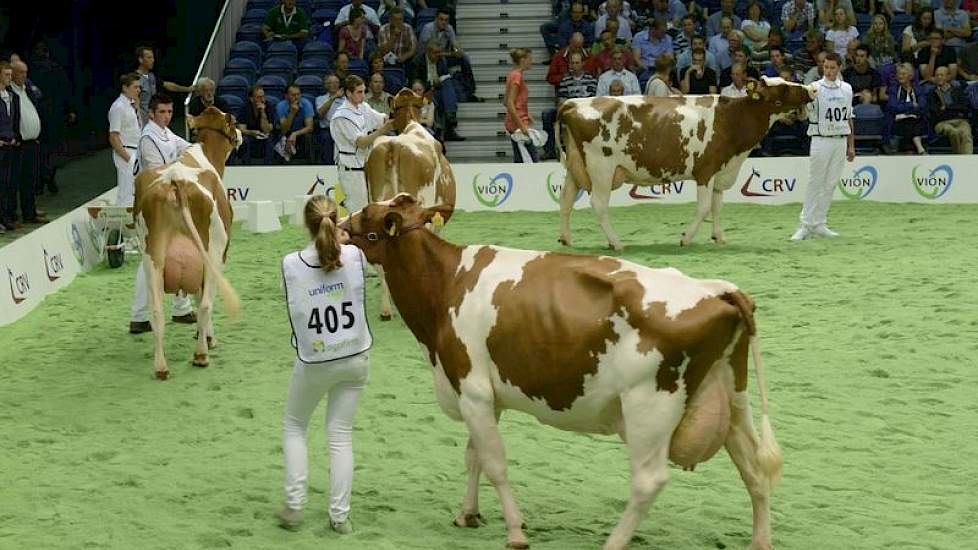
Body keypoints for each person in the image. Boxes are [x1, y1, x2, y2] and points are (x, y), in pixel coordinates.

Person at [278, 195, 372, 535]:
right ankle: (339, 516)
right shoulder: (355, 256)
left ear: (307, 225)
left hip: (316, 359)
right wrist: (345, 243)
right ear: (338, 221)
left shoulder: (291, 264)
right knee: (340, 435)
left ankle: (294, 504)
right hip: (355, 356)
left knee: (294, 425)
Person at [129, 93, 195, 334]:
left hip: (169, 201)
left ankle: (181, 307)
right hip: (152, 205)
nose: (167, 116)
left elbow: (186, 148)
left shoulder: (166, 133)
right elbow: (158, 172)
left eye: (169, 112)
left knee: (178, 253)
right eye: (162, 112)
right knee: (150, 258)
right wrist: (181, 164)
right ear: (152, 113)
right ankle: (139, 315)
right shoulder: (148, 138)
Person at [791, 52, 854, 242]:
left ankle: (819, 222)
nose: (828, 70)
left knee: (830, 184)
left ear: (839, 68)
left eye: (832, 67)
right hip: (821, 139)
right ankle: (805, 224)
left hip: (840, 140)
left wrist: (851, 145)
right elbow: (802, 114)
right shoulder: (814, 88)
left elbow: (849, 116)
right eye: (825, 67)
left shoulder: (847, 89)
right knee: (815, 183)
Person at [329, 76, 395, 214]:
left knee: (371, 209)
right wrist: (382, 130)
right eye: (359, 92)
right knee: (359, 211)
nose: (363, 95)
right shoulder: (342, 116)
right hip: (351, 169)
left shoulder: (363, 107)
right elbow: (361, 142)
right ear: (348, 93)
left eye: (364, 91)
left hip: (366, 165)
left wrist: (398, 113)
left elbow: (382, 118)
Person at [8, 60, 48, 225]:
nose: (24, 76)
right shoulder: (10, 92)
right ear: (13, 73)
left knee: (30, 180)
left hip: (33, 142)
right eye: (20, 72)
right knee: (15, 180)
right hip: (19, 144)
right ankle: (12, 215)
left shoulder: (28, 90)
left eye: (25, 72)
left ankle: (30, 213)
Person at [134, 46, 193, 127]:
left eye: (153, 57)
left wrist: (188, 89)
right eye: (149, 57)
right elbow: (135, 103)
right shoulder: (135, 79)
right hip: (143, 122)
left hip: (155, 120)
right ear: (140, 60)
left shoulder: (152, 76)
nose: (153, 60)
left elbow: (168, 85)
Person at [108, 73, 143, 206]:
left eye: (139, 87)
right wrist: (128, 158)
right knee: (126, 191)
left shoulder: (132, 105)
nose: (138, 90)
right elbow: (113, 136)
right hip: (126, 151)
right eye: (135, 87)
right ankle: (122, 221)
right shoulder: (118, 107)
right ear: (125, 88)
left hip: (136, 150)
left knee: (135, 190)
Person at [505, 48, 541, 163]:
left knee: (520, 158)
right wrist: (522, 126)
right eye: (530, 59)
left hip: (515, 123)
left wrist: (526, 114)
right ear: (522, 60)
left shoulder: (512, 74)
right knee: (531, 159)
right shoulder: (517, 77)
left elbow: (506, 101)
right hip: (518, 125)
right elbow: (510, 103)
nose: (532, 61)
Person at [926, 65, 973, 154]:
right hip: (942, 123)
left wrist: (947, 107)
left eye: (942, 75)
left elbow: (965, 106)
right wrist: (955, 109)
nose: (939, 77)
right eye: (937, 75)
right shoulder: (932, 94)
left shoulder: (957, 91)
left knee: (966, 134)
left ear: (948, 77)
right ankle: (958, 159)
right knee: (954, 132)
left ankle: (967, 161)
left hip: (960, 120)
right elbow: (935, 112)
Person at [1, 61, 22, 233]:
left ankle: (7, 218)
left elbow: (13, 121)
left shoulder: (11, 96)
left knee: (8, 184)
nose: (10, 77)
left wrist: (14, 136)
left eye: (10, 74)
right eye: (6, 74)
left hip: (10, 145)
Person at [277, 83, 316, 162]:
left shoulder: (306, 104)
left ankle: (310, 164)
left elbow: (310, 127)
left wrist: (295, 134)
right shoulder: (281, 106)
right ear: (286, 96)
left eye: (298, 94)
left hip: (302, 132)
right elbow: (284, 130)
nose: (296, 97)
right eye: (293, 95)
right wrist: (292, 113)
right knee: (282, 137)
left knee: (308, 137)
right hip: (286, 132)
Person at [237, 85, 275, 165]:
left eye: (263, 96)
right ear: (251, 99)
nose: (262, 100)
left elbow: (267, 130)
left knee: (270, 141)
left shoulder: (269, 106)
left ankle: (269, 167)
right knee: (244, 141)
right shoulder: (245, 108)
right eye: (259, 97)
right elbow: (241, 129)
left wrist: (263, 113)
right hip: (250, 135)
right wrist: (252, 132)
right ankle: (246, 167)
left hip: (265, 135)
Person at [315, 74, 345, 164]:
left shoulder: (346, 100)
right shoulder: (320, 99)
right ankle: (329, 167)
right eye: (331, 83)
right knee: (326, 138)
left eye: (336, 82)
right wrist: (334, 97)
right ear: (326, 85)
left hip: (342, 129)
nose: (334, 85)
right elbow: (320, 114)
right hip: (327, 130)